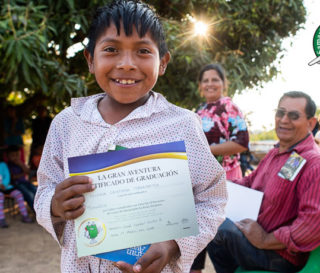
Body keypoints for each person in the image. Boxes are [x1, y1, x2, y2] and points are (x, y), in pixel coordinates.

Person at [34, 1, 227, 273]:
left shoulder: (183, 125)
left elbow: (212, 199)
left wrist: (173, 243)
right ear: (90, 59)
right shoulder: (67, 123)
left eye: (143, 51)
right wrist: (54, 205)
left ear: (163, 63)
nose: (126, 64)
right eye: (111, 50)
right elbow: (44, 189)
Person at [207, 91, 320, 273]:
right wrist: (213, 185)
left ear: (311, 123)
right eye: (280, 113)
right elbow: (250, 181)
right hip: (254, 238)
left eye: (293, 116)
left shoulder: (313, 163)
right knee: (208, 213)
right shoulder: (277, 153)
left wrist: (266, 239)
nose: (284, 120)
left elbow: (313, 223)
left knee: (219, 228)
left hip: (278, 256)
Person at [191, 63, 249, 273]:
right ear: (200, 85)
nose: (210, 84)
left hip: (226, 182)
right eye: (205, 80)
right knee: (196, 242)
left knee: (221, 241)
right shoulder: (199, 111)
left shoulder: (229, 107)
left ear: (224, 84)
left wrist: (206, 149)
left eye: (215, 79)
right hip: (200, 184)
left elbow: (242, 142)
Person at [0, 149, 33, 228]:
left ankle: (25, 216)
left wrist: (4, 184)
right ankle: (2, 219)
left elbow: (7, 176)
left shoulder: (3, 164)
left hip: (6, 187)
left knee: (18, 194)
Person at [6, 145, 37, 213]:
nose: (16, 157)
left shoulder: (20, 163)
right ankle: (35, 211)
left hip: (25, 182)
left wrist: (21, 164)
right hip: (17, 185)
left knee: (36, 191)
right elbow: (13, 177)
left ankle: (41, 209)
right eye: (13, 155)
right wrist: (23, 174)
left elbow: (28, 172)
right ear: (8, 156)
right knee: (29, 194)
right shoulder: (8, 165)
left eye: (17, 155)